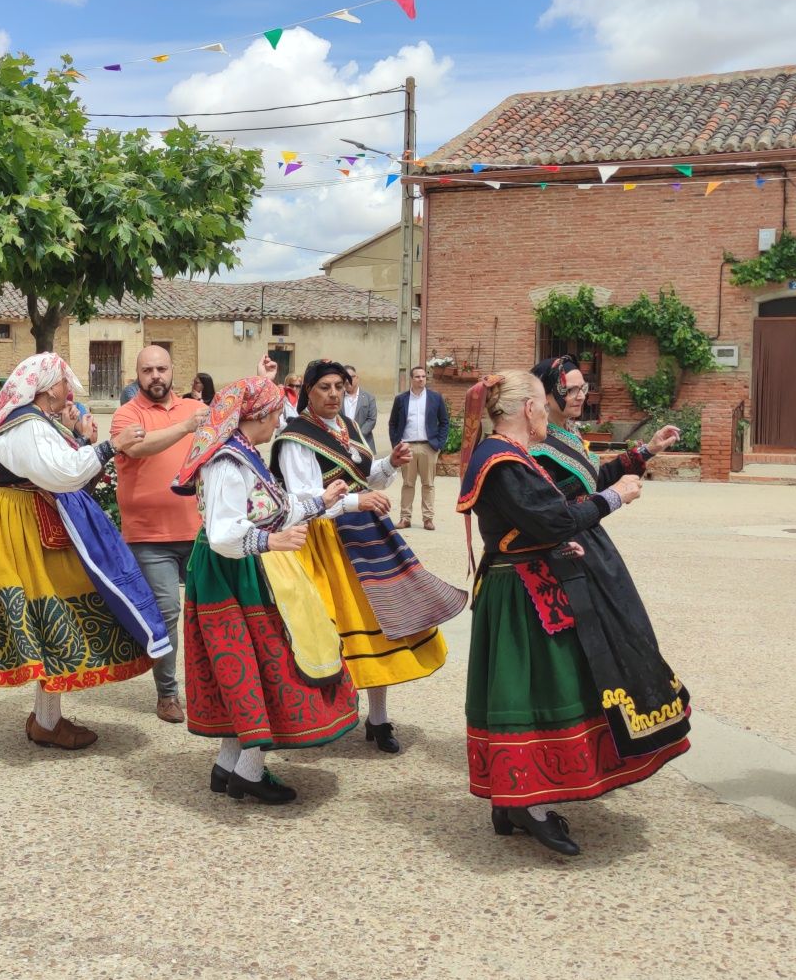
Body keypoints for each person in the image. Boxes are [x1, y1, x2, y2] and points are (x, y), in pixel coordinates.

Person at [458, 372, 686, 856]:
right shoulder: (502, 460)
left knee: (541, 686)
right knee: (536, 689)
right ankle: (529, 804)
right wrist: (614, 498)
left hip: (530, 581)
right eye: (542, 404)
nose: (547, 413)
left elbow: (549, 514)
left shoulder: (511, 454)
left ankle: (515, 801)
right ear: (526, 409)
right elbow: (554, 517)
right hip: (522, 591)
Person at [172, 376, 357, 803]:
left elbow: (271, 507)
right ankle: (249, 772)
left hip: (244, 568)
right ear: (257, 415)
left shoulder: (244, 454)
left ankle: (228, 765)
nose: (279, 422)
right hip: (230, 571)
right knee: (264, 663)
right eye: (276, 413)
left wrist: (321, 501)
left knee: (252, 664)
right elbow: (222, 532)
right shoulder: (226, 462)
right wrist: (270, 541)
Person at [270, 358, 467, 754]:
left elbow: (364, 474)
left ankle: (377, 720)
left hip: (363, 535)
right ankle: (311, 717)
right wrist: (358, 500)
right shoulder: (295, 438)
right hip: (320, 541)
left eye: (339, 387)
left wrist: (388, 465)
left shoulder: (349, 427)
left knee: (382, 626)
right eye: (324, 387)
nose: (333, 394)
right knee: (323, 632)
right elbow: (303, 499)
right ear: (308, 390)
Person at [0, 353, 165, 750]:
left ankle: (46, 715)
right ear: (46, 389)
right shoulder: (27, 425)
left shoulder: (32, 421)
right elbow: (62, 473)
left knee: (53, 612)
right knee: (54, 610)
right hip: (26, 521)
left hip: (28, 514)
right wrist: (111, 445)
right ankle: (47, 722)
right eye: (64, 383)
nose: (69, 390)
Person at [111, 345, 212, 723]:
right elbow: (137, 448)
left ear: (174, 371)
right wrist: (186, 428)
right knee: (168, 613)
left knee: (211, 611)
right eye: (148, 370)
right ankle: (167, 694)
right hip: (149, 537)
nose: (156, 376)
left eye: (162, 369)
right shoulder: (127, 414)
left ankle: (214, 686)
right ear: (137, 374)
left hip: (199, 531)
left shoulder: (194, 408)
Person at [386, 365, 449, 530]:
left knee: (428, 484)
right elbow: (393, 423)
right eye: (418, 377)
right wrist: (396, 445)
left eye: (423, 377)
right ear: (411, 379)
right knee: (408, 484)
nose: (421, 379)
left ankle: (428, 519)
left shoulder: (435, 398)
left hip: (429, 446)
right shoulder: (401, 399)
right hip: (408, 446)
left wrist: (439, 444)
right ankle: (405, 518)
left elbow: (444, 422)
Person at [343, 365, 378, 454]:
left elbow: (371, 420)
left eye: (350, 377)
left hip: (364, 443)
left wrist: (358, 436)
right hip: (343, 445)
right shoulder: (337, 398)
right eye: (345, 378)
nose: (347, 380)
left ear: (357, 378)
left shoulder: (369, 398)